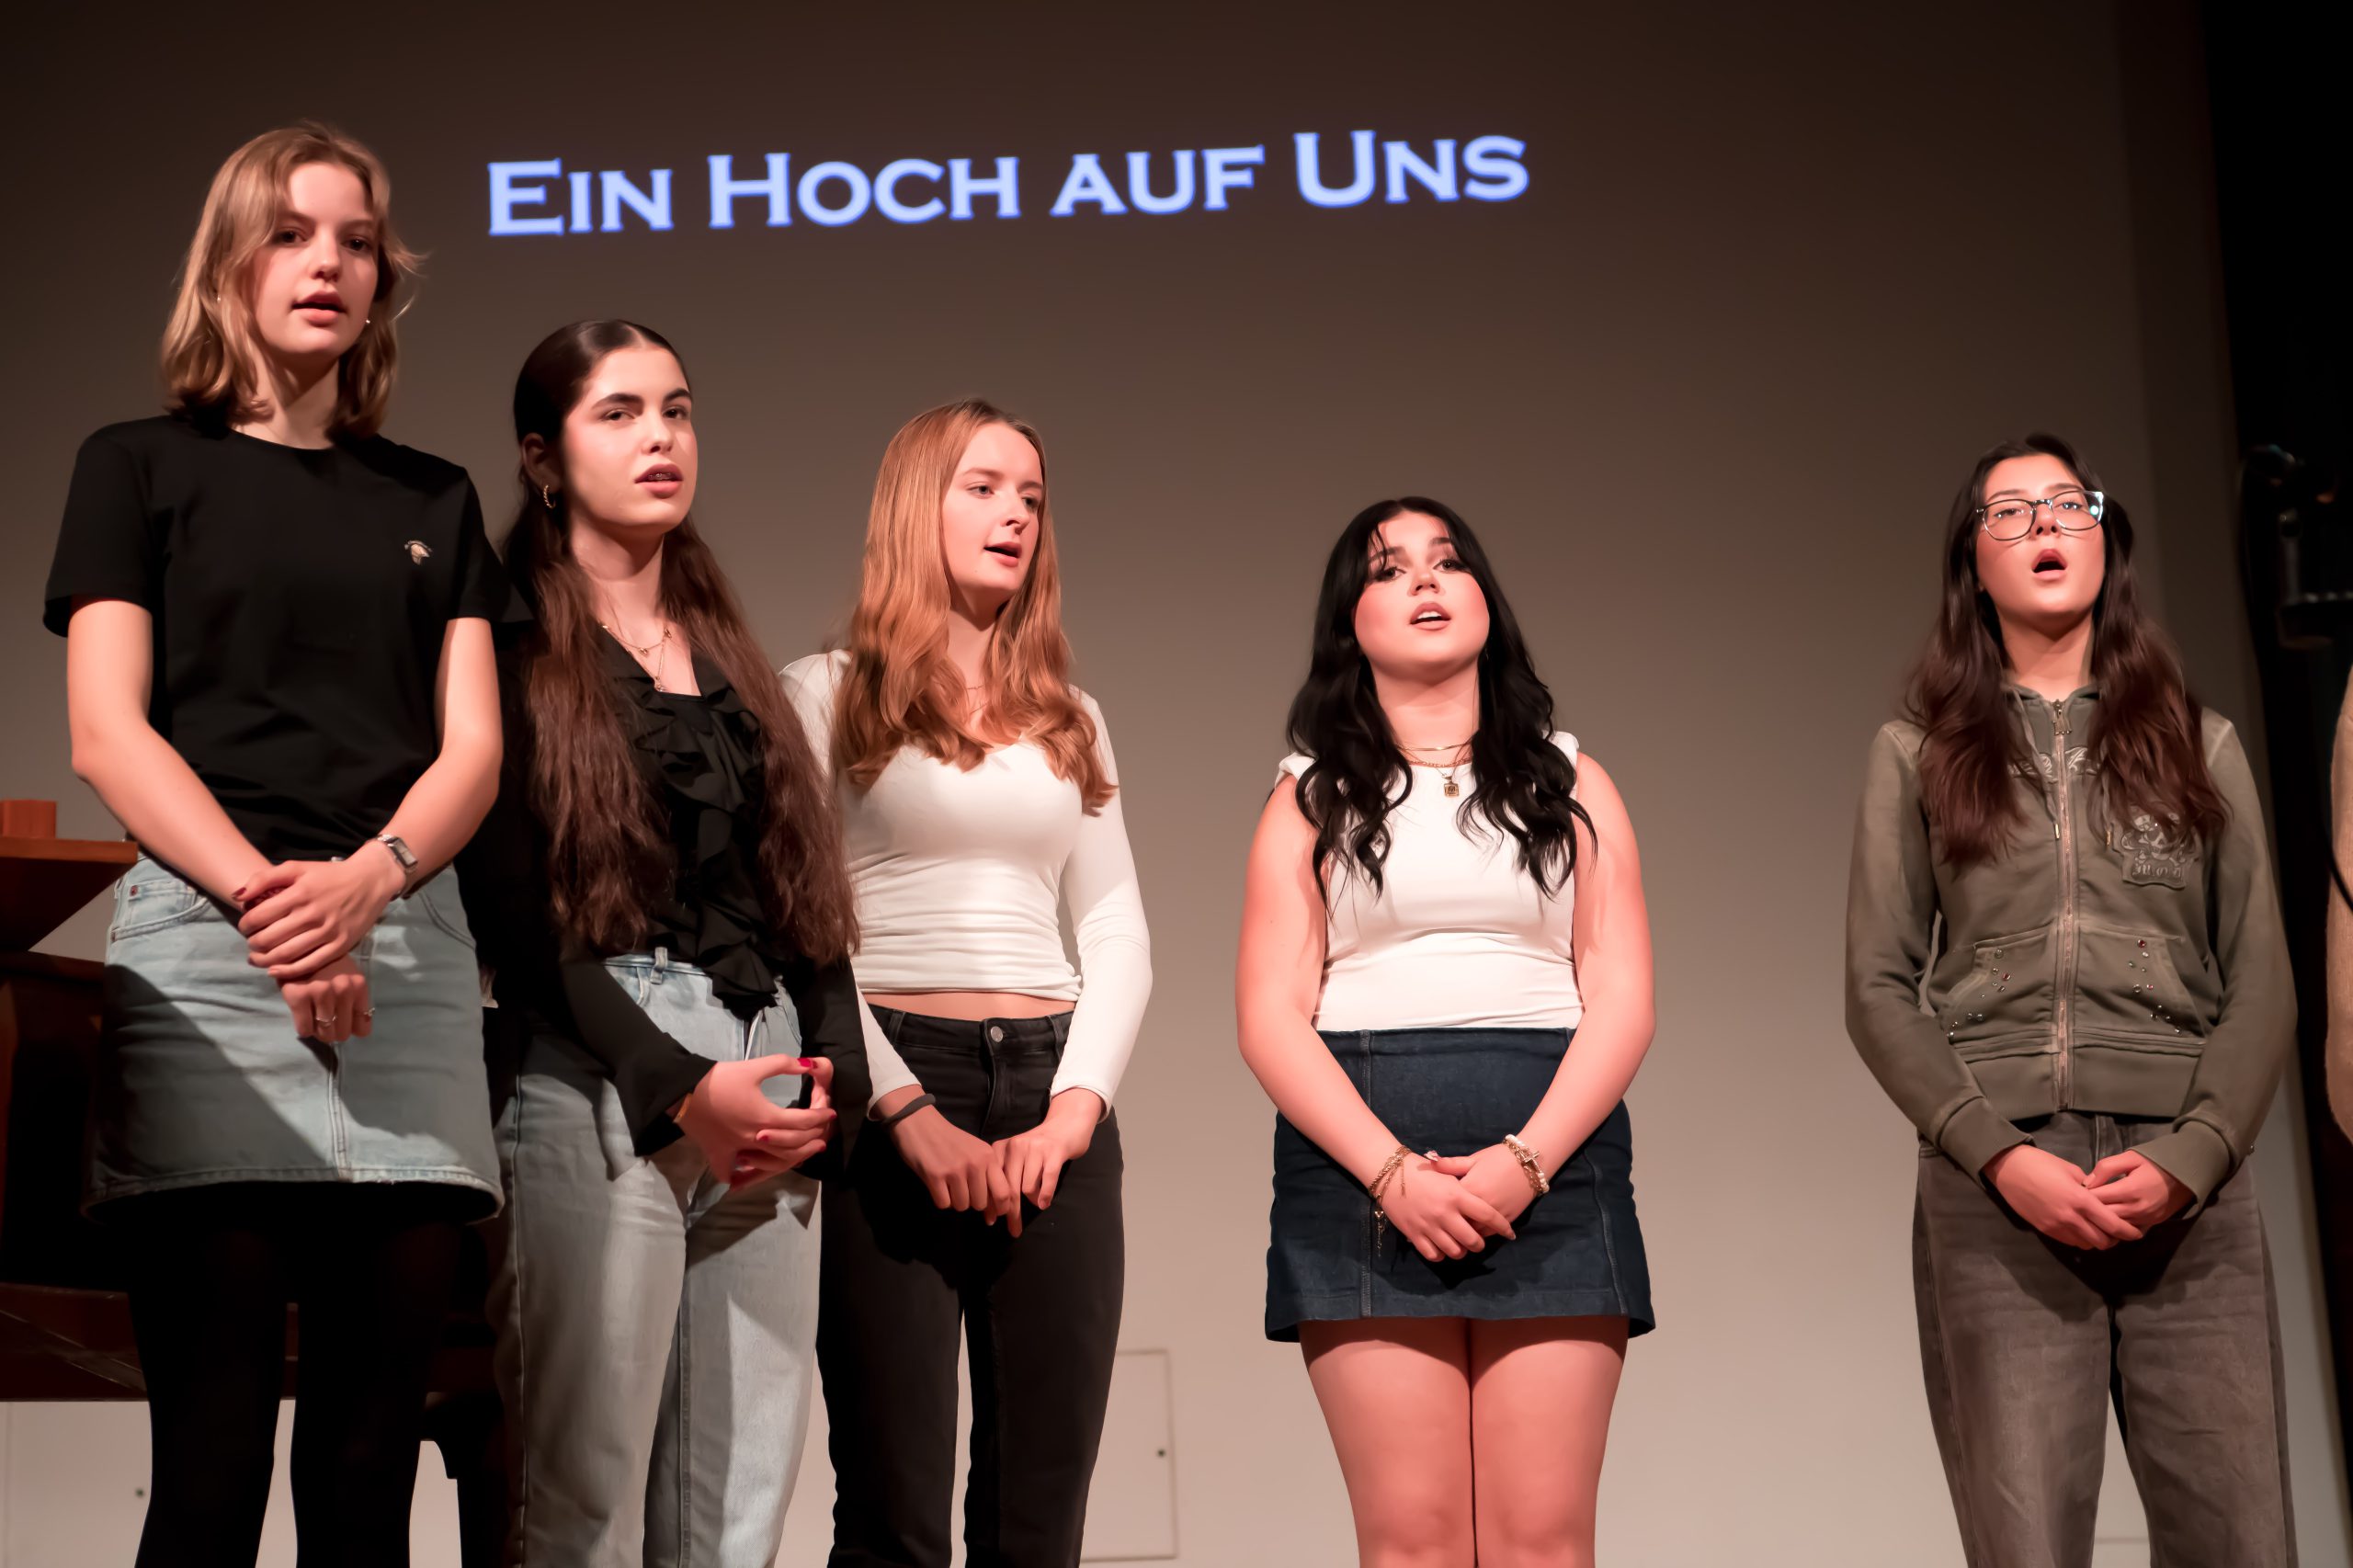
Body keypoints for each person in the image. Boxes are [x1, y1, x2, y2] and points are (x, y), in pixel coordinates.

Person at [44, 123, 510, 1566]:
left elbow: (474, 751)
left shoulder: (434, 495)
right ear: (228, 261)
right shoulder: (134, 467)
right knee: (214, 1456)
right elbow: (108, 733)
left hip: (406, 960)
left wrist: (367, 883)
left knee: (371, 1464)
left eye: (357, 241)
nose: (329, 263)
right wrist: (274, 906)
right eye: (293, 233)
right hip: (210, 954)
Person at [1845, 433, 2298, 1566]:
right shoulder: (1917, 752)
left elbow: (2260, 977)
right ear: (1972, 561)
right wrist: (1999, 1156)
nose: (2044, 523)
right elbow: (1877, 985)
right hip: (2001, 1192)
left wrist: (2195, 1154)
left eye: (2067, 502)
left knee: (2240, 1537)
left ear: (2105, 538)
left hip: (2186, 1186)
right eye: (2010, 510)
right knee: (2026, 1542)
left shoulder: (2197, 742)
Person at [458, 319, 868, 1565]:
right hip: (603, 1074)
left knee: (733, 1519)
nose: (661, 438)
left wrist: (833, 1076)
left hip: (769, 1068)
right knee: (582, 1506)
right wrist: (680, 1085)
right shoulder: (506, 647)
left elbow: (796, 888)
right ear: (541, 456)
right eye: (620, 412)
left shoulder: (728, 652)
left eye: (677, 410)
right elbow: (516, 910)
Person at [1236, 497, 1654, 1567]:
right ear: (1349, 621)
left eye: (1447, 560)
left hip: (1554, 1168)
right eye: (1388, 568)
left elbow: (1621, 999)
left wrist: (1526, 1161)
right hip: (1359, 1175)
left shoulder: (1571, 779)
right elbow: (1270, 1017)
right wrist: (1391, 1175)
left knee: (1540, 1542)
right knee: (1412, 1542)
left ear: (1485, 600)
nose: (1423, 580)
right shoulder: (1307, 796)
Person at [782, 397, 1150, 1567]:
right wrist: (901, 1108)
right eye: (983, 487)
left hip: (1052, 1092)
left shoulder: (1071, 717)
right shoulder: (822, 689)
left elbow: (1116, 927)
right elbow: (806, 928)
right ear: (914, 505)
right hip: (892, 1085)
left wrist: (1073, 1113)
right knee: (893, 1513)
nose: (1015, 515)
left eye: (1031, 496)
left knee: (1037, 1521)